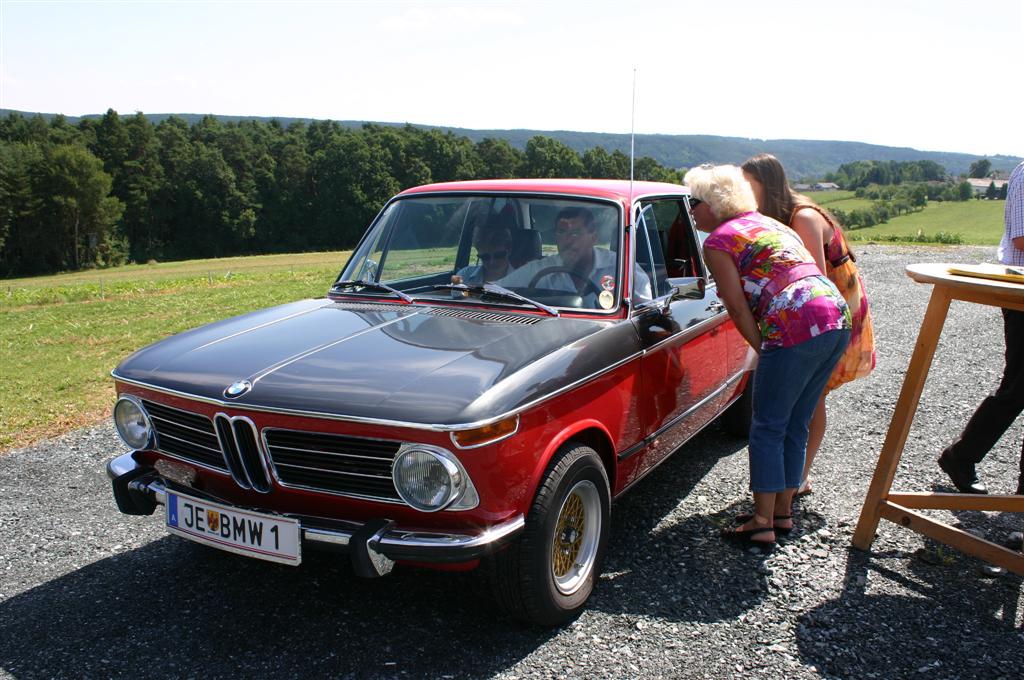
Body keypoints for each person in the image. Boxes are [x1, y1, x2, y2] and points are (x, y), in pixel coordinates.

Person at [684, 164, 851, 550]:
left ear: (713, 203)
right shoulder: (771, 224)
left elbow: (737, 309)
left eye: (695, 203)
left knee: (767, 425)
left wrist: (765, 348)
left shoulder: (719, 242)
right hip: (834, 316)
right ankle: (782, 512)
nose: (691, 212)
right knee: (796, 422)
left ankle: (761, 522)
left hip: (794, 321)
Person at [741, 153, 877, 497]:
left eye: (748, 185)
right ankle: (794, 476)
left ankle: (799, 476)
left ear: (766, 184)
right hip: (824, 306)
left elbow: (812, 277)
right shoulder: (788, 215)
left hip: (828, 307)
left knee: (811, 395)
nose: (743, 193)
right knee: (808, 395)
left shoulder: (801, 217)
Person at [937, 160, 1024, 503]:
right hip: (1021, 290)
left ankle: (966, 460)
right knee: (1018, 387)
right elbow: (1021, 237)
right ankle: (962, 457)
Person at [496, 206, 651, 307]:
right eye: (561, 232)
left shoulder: (620, 267)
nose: (567, 240)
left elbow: (646, 310)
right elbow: (494, 290)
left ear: (593, 237)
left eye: (576, 233)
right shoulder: (539, 269)